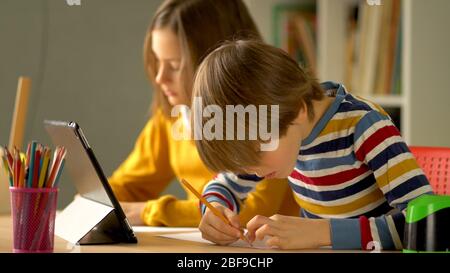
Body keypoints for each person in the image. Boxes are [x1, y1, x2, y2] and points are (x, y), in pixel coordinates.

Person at [192, 39, 433, 250]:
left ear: (298, 109)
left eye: (255, 152)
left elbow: (426, 223)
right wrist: (214, 210)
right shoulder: (280, 131)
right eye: (241, 163)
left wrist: (322, 233)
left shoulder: (364, 127)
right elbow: (224, 185)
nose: (253, 170)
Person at [108, 0, 299, 227]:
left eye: (175, 64)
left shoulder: (259, 117)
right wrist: (96, 200)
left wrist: (152, 211)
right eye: (158, 61)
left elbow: (253, 209)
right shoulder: (172, 117)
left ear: (216, 60)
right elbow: (128, 186)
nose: (160, 78)